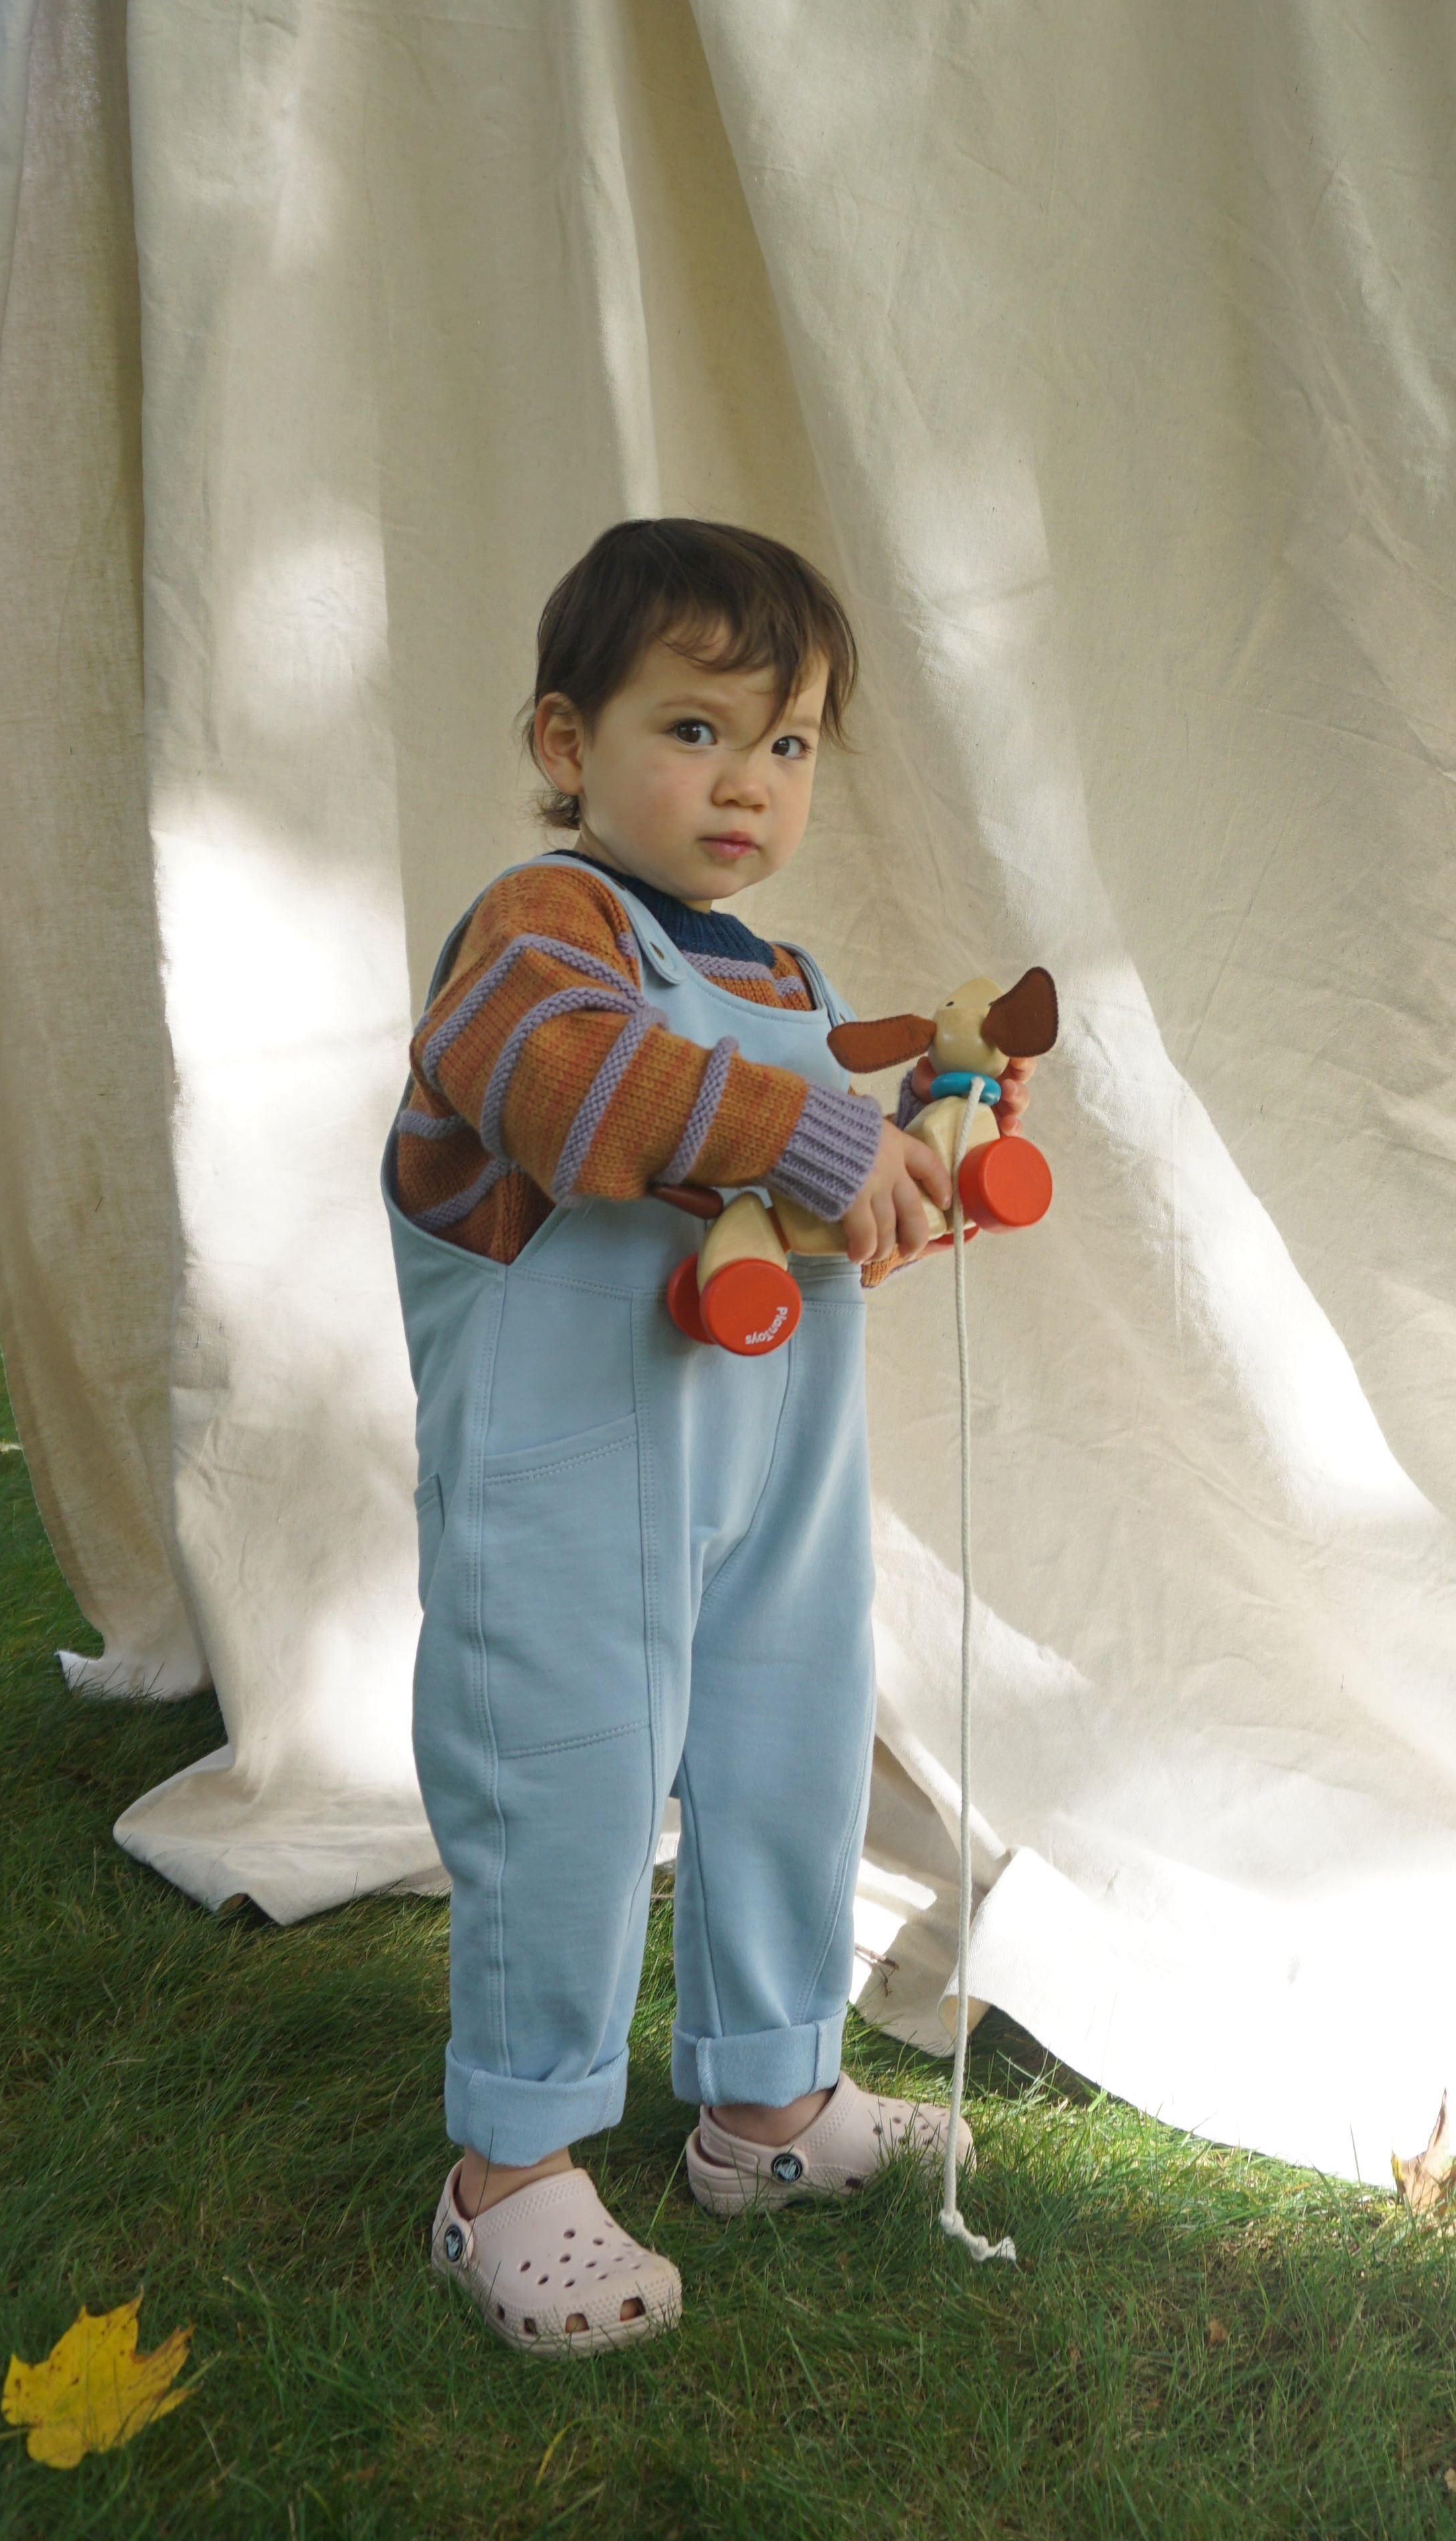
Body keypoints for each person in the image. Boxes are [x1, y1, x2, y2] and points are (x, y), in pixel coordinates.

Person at [383, 517, 1030, 2356]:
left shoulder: (784, 986)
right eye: (694, 729)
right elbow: (568, 1074)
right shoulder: (542, 935)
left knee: (791, 1760)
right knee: (570, 1786)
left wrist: (918, 1153)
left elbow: (799, 1193)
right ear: (567, 743)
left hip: (778, 1486)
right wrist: (815, 1139)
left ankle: (770, 2097)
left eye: (792, 741)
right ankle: (508, 2166)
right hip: (567, 1482)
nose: (747, 779)